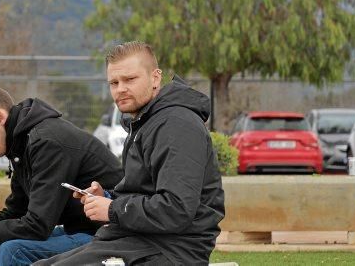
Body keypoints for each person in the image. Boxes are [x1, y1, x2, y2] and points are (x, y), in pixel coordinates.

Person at [36, 41, 225, 265]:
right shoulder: (145, 123)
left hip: (172, 251)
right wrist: (105, 198)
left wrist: (113, 209)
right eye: (114, 83)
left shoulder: (177, 124)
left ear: (155, 77)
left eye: (130, 79)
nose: (120, 89)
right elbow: (144, 192)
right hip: (135, 241)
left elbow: (177, 209)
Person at [0, 85, 123, 265]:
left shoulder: (47, 142)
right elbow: (15, 212)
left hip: (108, 235)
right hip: (78, 230)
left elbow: (37, 225)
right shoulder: (21, 144)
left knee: (13, 251)